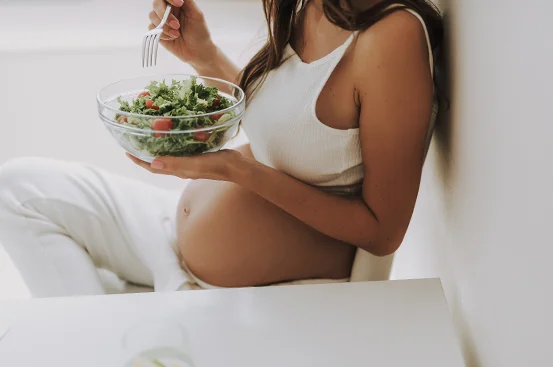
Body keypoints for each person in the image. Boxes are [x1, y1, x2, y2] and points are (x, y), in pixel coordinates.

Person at [0, 0, 445, 297]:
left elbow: (383, 231)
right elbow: (290, 123)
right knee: (16, 188)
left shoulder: (392, 36)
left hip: (229, 288)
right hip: (174, 235)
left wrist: (237, 171)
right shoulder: (304, 2)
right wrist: (203, 54)